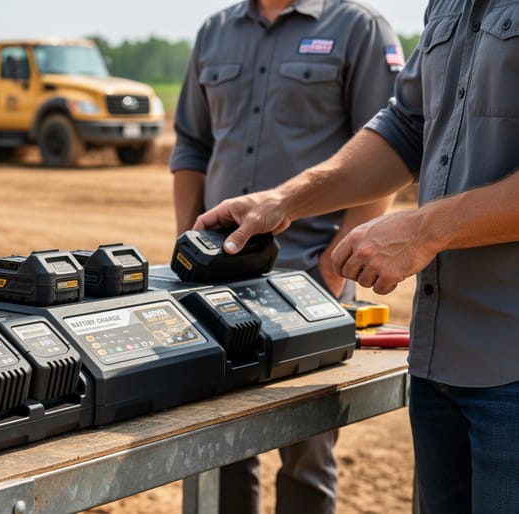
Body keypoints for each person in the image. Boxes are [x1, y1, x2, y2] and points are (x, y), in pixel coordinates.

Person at [193, 0, 519, 512]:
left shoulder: (358, 25)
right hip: (444, 361)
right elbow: (407, 127)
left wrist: (422, 230)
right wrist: (285, 201)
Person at [170, 0, 401, 512]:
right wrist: (187, 237)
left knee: (306, 448)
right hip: (217, 282)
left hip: (307, 278)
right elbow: (191, 143)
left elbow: (392, 146)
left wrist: (338, 257)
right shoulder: (214, 32)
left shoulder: (358, 28)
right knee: (216, 441)